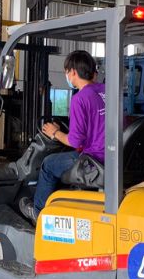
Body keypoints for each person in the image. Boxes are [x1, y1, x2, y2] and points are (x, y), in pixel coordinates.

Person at [18, 50, 106, 223]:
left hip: (92, 160)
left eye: (66, 72)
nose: (67, 75)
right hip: (110, 156)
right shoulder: (105, 91)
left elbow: (75, 141)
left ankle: (38, 212)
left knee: (48, 164)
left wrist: (54, 132)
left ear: (73, 72)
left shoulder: (80, 99)